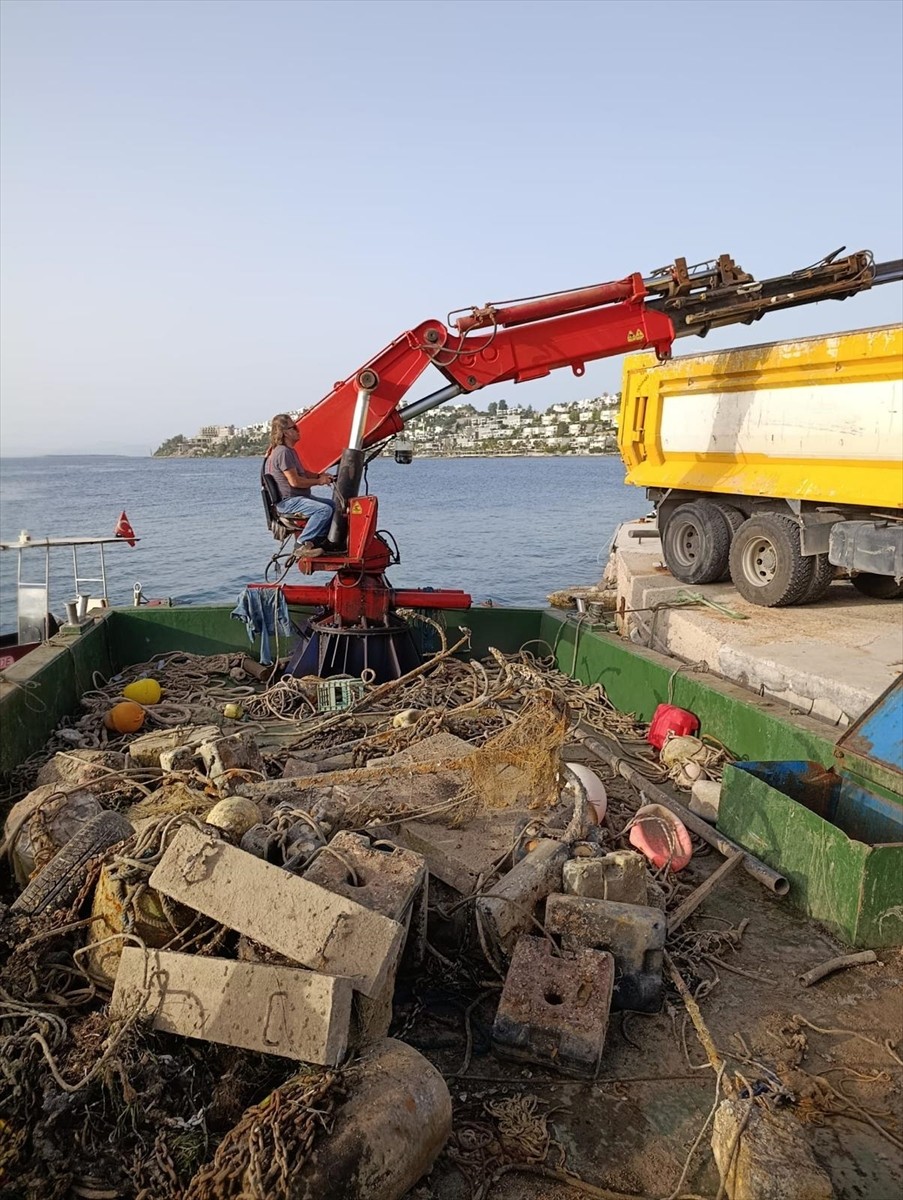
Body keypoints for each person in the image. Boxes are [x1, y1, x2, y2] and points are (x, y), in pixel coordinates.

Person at [265, 413, 336, 558]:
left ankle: (318, 542)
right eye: (294, 428)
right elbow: (295, 482)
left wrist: (319, 475)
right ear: (285, 433)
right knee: (324, 510)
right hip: (289, 502)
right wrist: (319, 482)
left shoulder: (289, 451)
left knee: (334, 506)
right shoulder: (283, 452)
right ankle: (301, 544)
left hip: (297, 498)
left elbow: (302, 473)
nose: (298, 430)